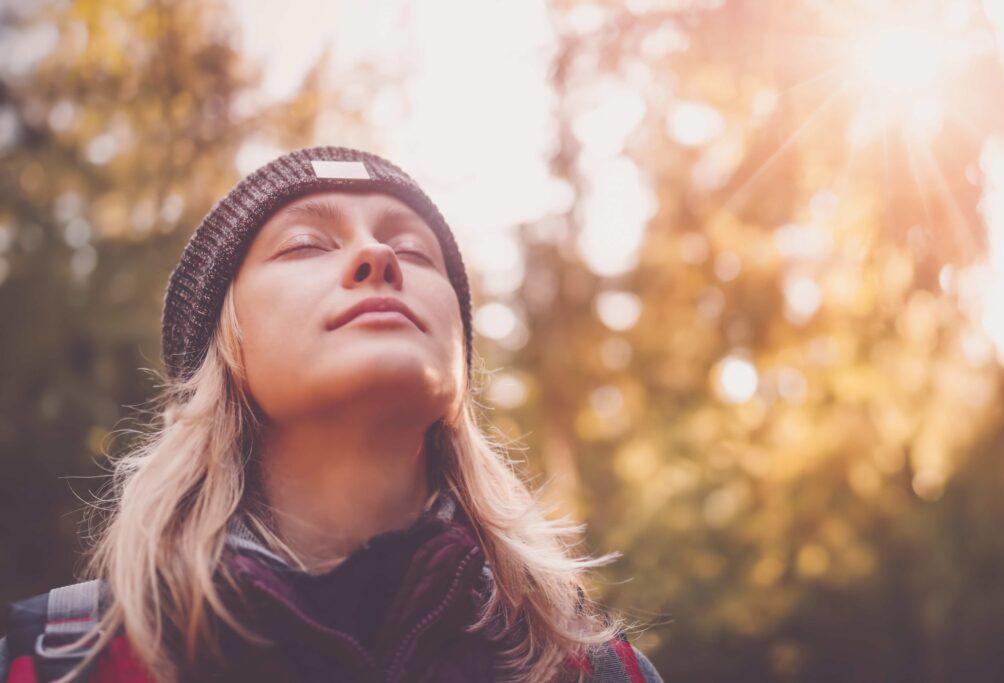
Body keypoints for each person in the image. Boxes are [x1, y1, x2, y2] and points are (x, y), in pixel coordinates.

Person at [1, 147, 664, 682]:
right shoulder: (57, 665)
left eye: (413, 250)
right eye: (306, 245)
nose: (376, 258)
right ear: (225, 346)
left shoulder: (593, 669)